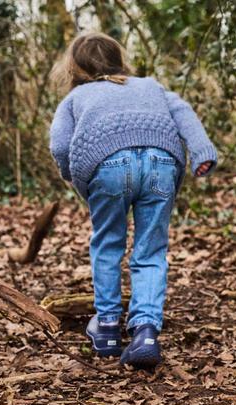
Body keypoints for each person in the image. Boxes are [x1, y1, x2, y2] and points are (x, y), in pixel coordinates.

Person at [48, 33, 218, 369]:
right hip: (161, 162)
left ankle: (108, 328)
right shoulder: (150, 86)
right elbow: (183, 113)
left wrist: (75, 176)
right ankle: (145, 332)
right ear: (117, 59)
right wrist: (202, 152)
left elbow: (60, 147)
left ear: (75, 69)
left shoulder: (77, 97)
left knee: (108, 244)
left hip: (106, 167)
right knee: (151, 249)